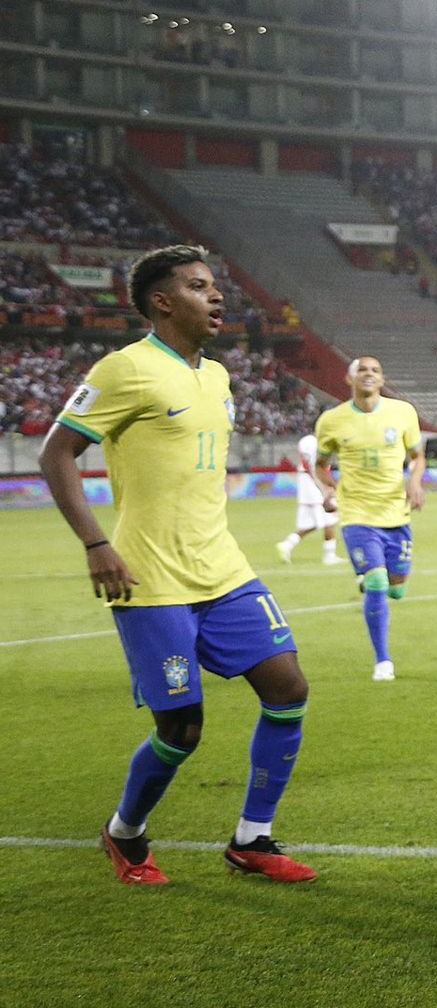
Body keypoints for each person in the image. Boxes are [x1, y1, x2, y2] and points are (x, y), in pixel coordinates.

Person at [39, 244, 316, 886]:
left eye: (215, 285)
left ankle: (253, 838)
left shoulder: (216, 376)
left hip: (224, 570)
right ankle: (125, 832)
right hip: (151, 579)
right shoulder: (124, 369)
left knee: (288, 689)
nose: (216, 296)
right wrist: (95, 543)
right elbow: (57, 454)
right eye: (198, 286)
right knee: (182, 728)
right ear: (163, 302)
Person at [313, 356, 425, 681]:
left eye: (375, 370)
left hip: (396, 514)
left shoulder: (403, 412)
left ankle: (370, 577)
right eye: (362, 370)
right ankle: (383, 661)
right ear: (349, 379)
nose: (369, 374)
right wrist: (328, 491)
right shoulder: (332, 421)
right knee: (377, 582)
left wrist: (414, 482)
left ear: (382, 378)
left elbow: (418, 456)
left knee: (396, 589)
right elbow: (320, 464)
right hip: (357, 514)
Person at [275, 432, 344, 566]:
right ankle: (329, 555)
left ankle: (287, 545)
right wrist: (326, 487)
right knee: (330, 518)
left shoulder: (306, 441)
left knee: (310, 523)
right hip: (313, 482)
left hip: (306, 482)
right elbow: (313, 466)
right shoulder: (315, 443)